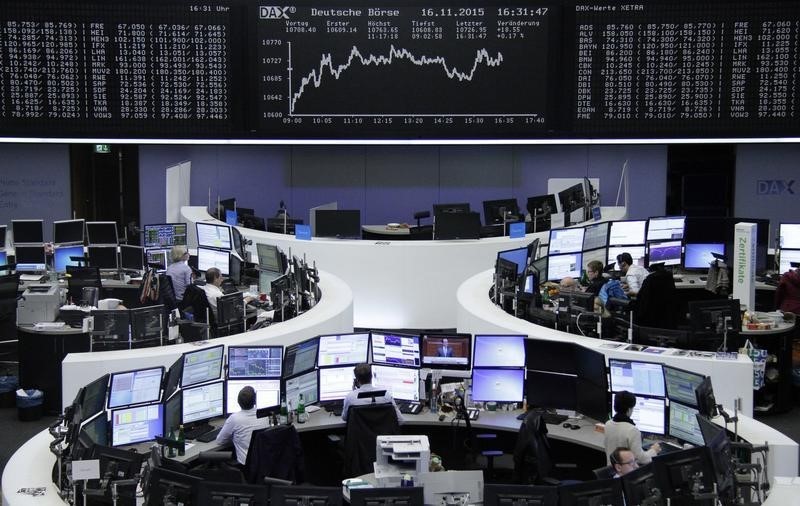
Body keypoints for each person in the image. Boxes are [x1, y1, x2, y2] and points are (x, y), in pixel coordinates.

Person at [215, 386, 267, 466]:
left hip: (246, 467)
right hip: (265, 463)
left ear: (238, 402)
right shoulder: (264, 414)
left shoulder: (234, 419)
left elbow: (220, 441)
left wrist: (234, 437)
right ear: (255, 401)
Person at [604, 391, 660, 465]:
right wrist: (654, 451)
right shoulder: (632, 430)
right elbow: (641, 459)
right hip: (627, 473)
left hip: (612, 471)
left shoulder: (608, 425)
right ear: (629, 409)